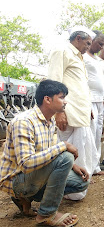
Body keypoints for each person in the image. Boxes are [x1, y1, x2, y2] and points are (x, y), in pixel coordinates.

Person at [0, 80, 89, 226]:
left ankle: (26, 198)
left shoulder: (49, 121)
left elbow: (47, 153)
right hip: (17, 179)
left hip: (33, 175)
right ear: (47, 99)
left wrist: (73, 166)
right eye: (61, 97)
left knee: (80, 183)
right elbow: (27, 163)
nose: (65, 102)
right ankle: (46, 214)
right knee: (65, 156)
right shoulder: (23, 122)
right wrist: (64, 146)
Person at [48, 26, 98, 200]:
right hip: (67, 113)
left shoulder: (78, 56)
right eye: (87, 43)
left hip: (80, 113)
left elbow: (80, 86)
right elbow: (53, 82)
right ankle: (67, 189)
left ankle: (76, 188)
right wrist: (58, 112)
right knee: (67, 152)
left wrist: (88, 108)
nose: (88, 47)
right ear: (78, 38)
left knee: (82, 150)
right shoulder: (61, 51)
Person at [83, 30, 104, 174]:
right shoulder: (83, 56)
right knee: (90, 133)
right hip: (89, 100)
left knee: (98, 133)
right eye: (100, 44)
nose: (101, 48)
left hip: (100, 101)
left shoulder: (97, 60)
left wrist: (103, 103)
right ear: (91, 40)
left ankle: (95, 165)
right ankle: (87, 168)